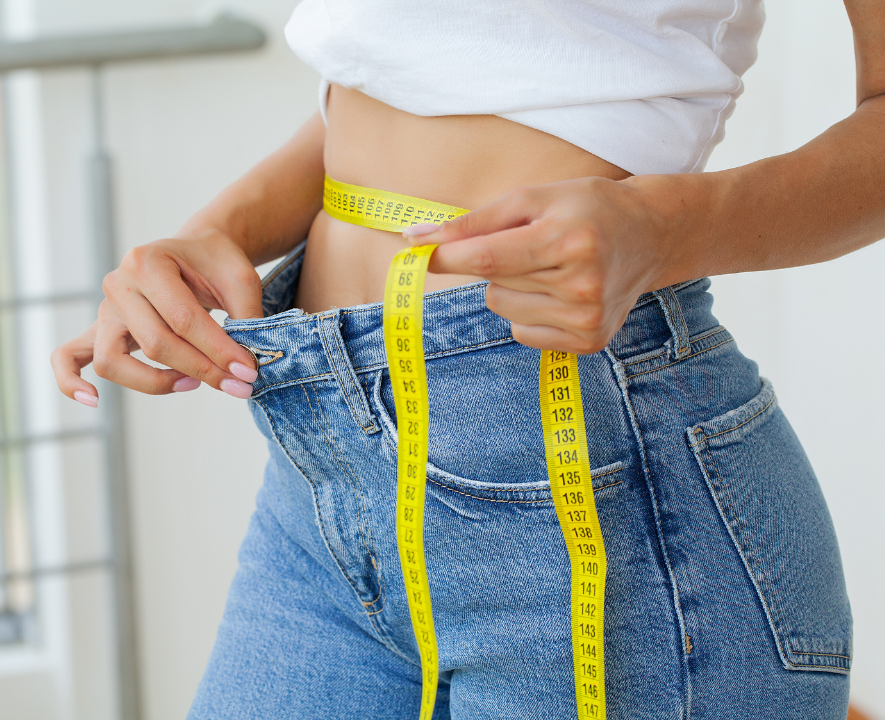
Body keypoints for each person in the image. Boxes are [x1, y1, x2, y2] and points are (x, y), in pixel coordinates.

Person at [52, 1, 884, 717]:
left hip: (601, 483)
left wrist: (666, 226)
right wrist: (220, 231)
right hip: (321, 480)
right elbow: (417, 72)